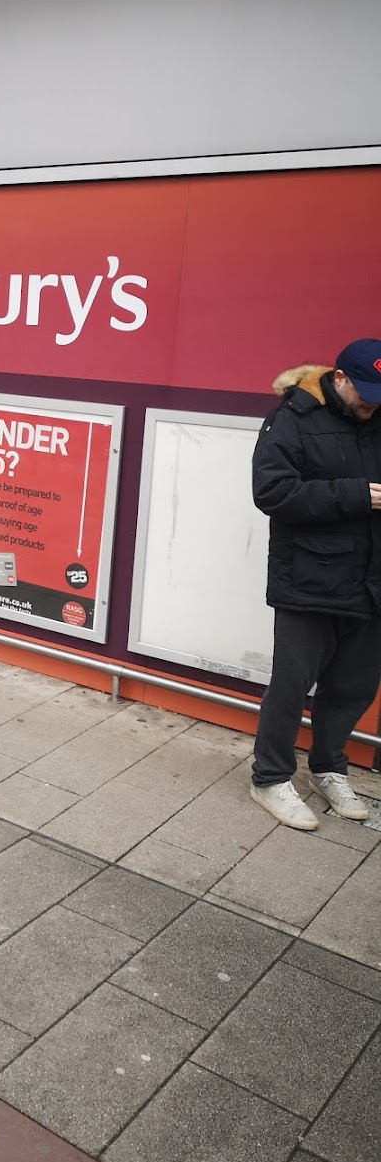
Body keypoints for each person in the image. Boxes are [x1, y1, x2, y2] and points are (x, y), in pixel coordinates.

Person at [250, 339, 381, 829]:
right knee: (291, 684)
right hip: (309, 576)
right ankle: (270, 778)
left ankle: (328, 769)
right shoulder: (293, 417)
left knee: (352, 686)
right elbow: (272, 492)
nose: (372, 404)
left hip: (370, 580)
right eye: (366, 393)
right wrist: (355, 496)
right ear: (340, 379)